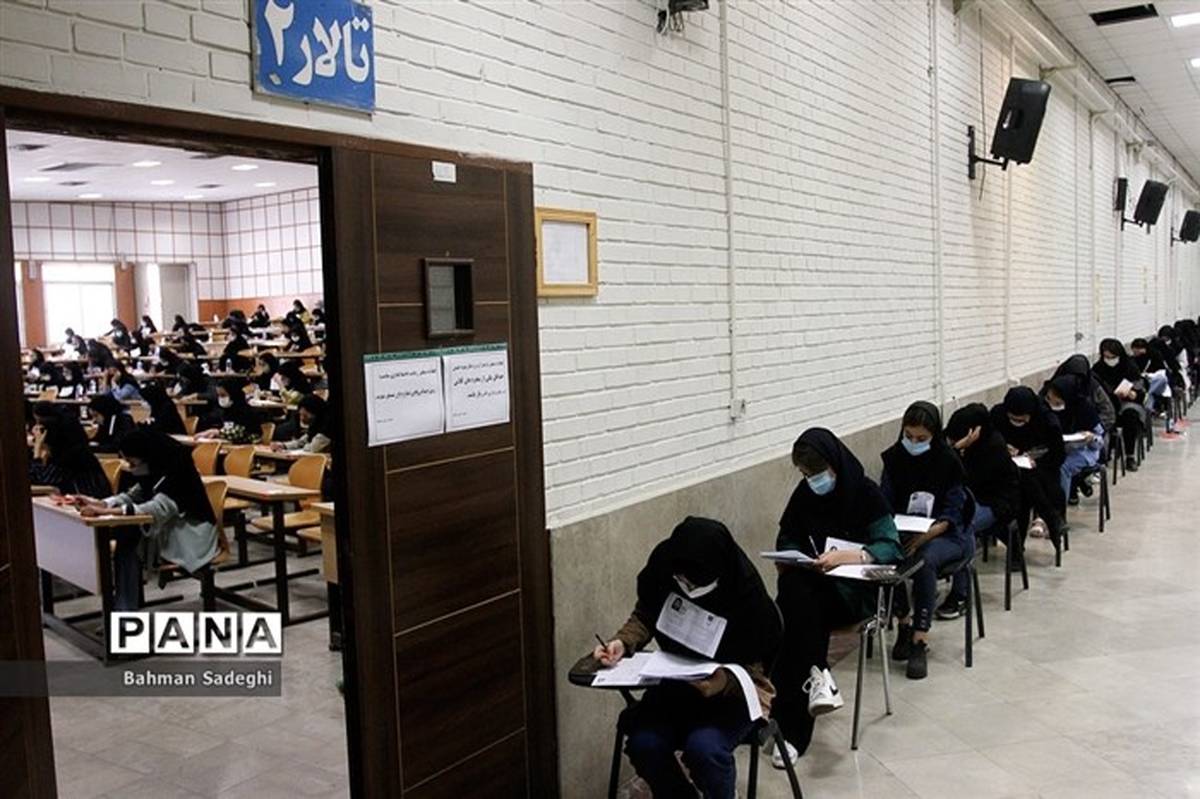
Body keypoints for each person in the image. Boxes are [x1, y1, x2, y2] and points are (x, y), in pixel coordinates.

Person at [592, 517, 782, 799]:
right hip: (677, 687)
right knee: (644, 743)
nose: (688, 588)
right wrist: (622, 642)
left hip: (733, 695)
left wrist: (722, 682)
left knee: (705, 750)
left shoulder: (748, 598)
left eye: (696, 584)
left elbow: (756, 665)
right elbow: (647, 614)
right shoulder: (666, 566)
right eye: (682, 581)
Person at [770, 428, 903, 765]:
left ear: (835, 464)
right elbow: (787, 536)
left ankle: (789, 729)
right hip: (813, 589)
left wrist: (851, 556)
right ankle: (817, 678)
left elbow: (890, 546)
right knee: (796, 600)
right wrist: (796, 557)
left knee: (794, 617)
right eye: (805, 474)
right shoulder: (804, 495)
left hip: (854, 592)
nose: (812, 481)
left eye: (817, 473)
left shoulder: (866, 494)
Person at [68, 430, 218, 611]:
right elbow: (133, 495)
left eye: (132, 462)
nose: (130, 467)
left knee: (129, 536)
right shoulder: (155, 468)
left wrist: (104, 511)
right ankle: (125, 606)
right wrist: (101, 503)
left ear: (146, 456)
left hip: (191, 535)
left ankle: (125, 609)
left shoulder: (178, 472)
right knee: (127, 534)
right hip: (169, 528)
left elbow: (156, 509)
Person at [880, 402, 970, 681]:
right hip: (905, 532)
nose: (914, 443)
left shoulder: (948, 462)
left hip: (946, 535)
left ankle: (920, 638)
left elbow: (954, 511)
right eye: (909, 436)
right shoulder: (894, 459)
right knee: (890, 555)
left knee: (923, 561)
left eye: (922, 438)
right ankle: (903, 623)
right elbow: (885, 501)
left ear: (934, 435)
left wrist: (928, 534)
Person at [943, 404, 1021, 600]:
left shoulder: (993, 446)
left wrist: (957, 449)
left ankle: (961, 593)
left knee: (963, 526)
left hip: (996, 503)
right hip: (968, 499)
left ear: (975, 431)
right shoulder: (962, 442)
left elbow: (965, 478)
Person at [991, 386, 1067, 552]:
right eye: (1013, 418)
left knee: (1025, 486)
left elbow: (1058, 456)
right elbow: (990, 443)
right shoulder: (997, 415)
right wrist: (1003, 447)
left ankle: (1017, 549)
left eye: (1022, 419)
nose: (1017, 422)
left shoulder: (1047, 421)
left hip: (1041, 470)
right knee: (1024, 483)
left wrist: (1036, 460)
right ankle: (1050, 517)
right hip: (1006, 470)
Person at [1043, 374, 1104, 506]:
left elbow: (1099, 441)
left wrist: (1090, 438)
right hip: (1057, 448)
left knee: (1063, 466)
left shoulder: (1085, 410)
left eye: (1057, 403)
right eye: (1048, 399)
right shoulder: (1046, 409)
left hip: (1083, 451)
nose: (1052, 405)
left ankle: (1059, 507)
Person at [1093, 339, 1148, 471]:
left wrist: (1133, 394)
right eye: (1106, 357)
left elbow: (1141, 392)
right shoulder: (1098, 369)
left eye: (1112, 357)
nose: (1109, 360)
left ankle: (1130, 456)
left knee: (1131, 416)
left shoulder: (1130, 367)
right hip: (1106, 405)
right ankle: (1102, 456)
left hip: (1127, 404)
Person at [29, 414, 111, 497]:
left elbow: (39, 481)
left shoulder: (71, 457)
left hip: (88, 501)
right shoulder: (68, 451)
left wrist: (37, 451)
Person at [196, 378, 262, 443]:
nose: (221, 398)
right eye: (219, 395)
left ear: (233, 394)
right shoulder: (226, 411)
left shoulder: (246, 412)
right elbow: (226, 429)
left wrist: (218, 432)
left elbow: (240, 432)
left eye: (223, 395)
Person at [1130, 337, 1175, 432]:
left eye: (1138, 350)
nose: (1136, 352)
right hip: (1143, 383)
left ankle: (1148, 396)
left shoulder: (1154, 356)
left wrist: (1149, 375)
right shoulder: (1132, 360)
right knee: (1146, 394)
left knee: (1159, 382)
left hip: (1156, 381)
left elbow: (1162, 372)